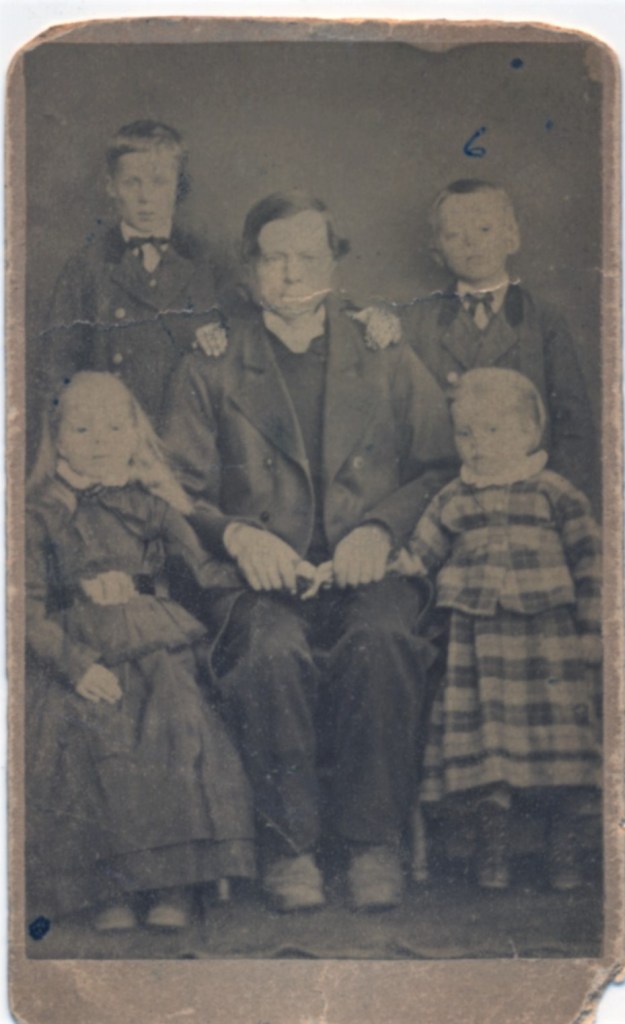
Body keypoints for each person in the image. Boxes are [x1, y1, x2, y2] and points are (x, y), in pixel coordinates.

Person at [164, 191, 457, 912]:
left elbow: (440, 465)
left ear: (334, 263)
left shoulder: (384, 352)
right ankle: (289, 849)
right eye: (275, 259)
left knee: (382, 638)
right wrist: (237, 535)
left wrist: (380, 529)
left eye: (308, 257)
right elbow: (171, 488)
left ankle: (370, 843)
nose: (292, 274)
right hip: (255, 580)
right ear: (249, 268)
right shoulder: (211, 363)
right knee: (269, 651)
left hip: (370, 570)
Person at [26, 372, 254, 932]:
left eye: (113, 428)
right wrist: (74, 664)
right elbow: (20, 606)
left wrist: (271, 572)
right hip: (77, 647)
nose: (99, 441)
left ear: (135, 435)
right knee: (91, 729)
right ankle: (110, 886)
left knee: (176, 715)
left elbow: (204, 570)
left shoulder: (150, 505)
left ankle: (174, 883)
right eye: (82, 429)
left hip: (154, 639)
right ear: (57, 438)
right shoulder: (37, 513)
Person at [392, 368, 601, 891]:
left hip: (548, 642)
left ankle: (565, 849)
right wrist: (409, 561)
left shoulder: (556, 493)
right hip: (478, 642)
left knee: (559, 743)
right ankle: (493, 847)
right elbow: (423, 548)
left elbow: (591, 563)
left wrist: (592, 629)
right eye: (466, 433)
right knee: (490, 747)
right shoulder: (454, 497)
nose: (477, 446)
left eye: (492, 431)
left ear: (529, 432)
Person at [403, 178, 598, 506]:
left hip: (531, 495)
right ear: (437, 251)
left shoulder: (543, 320)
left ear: (511, 237)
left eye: (484, 229)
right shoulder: (418, 323)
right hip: (446, 500)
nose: (471, 243)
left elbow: (574, 427)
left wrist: (552, 500)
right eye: (454, 234)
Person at [39, 120, 223, 430]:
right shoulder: (86, 268)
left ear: (178, 186)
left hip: (190, 437)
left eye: (159, 182)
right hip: (113, 438)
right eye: (132, 183)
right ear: (111, 186)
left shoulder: (210, 262)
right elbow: (56, 370)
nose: (145, 197)